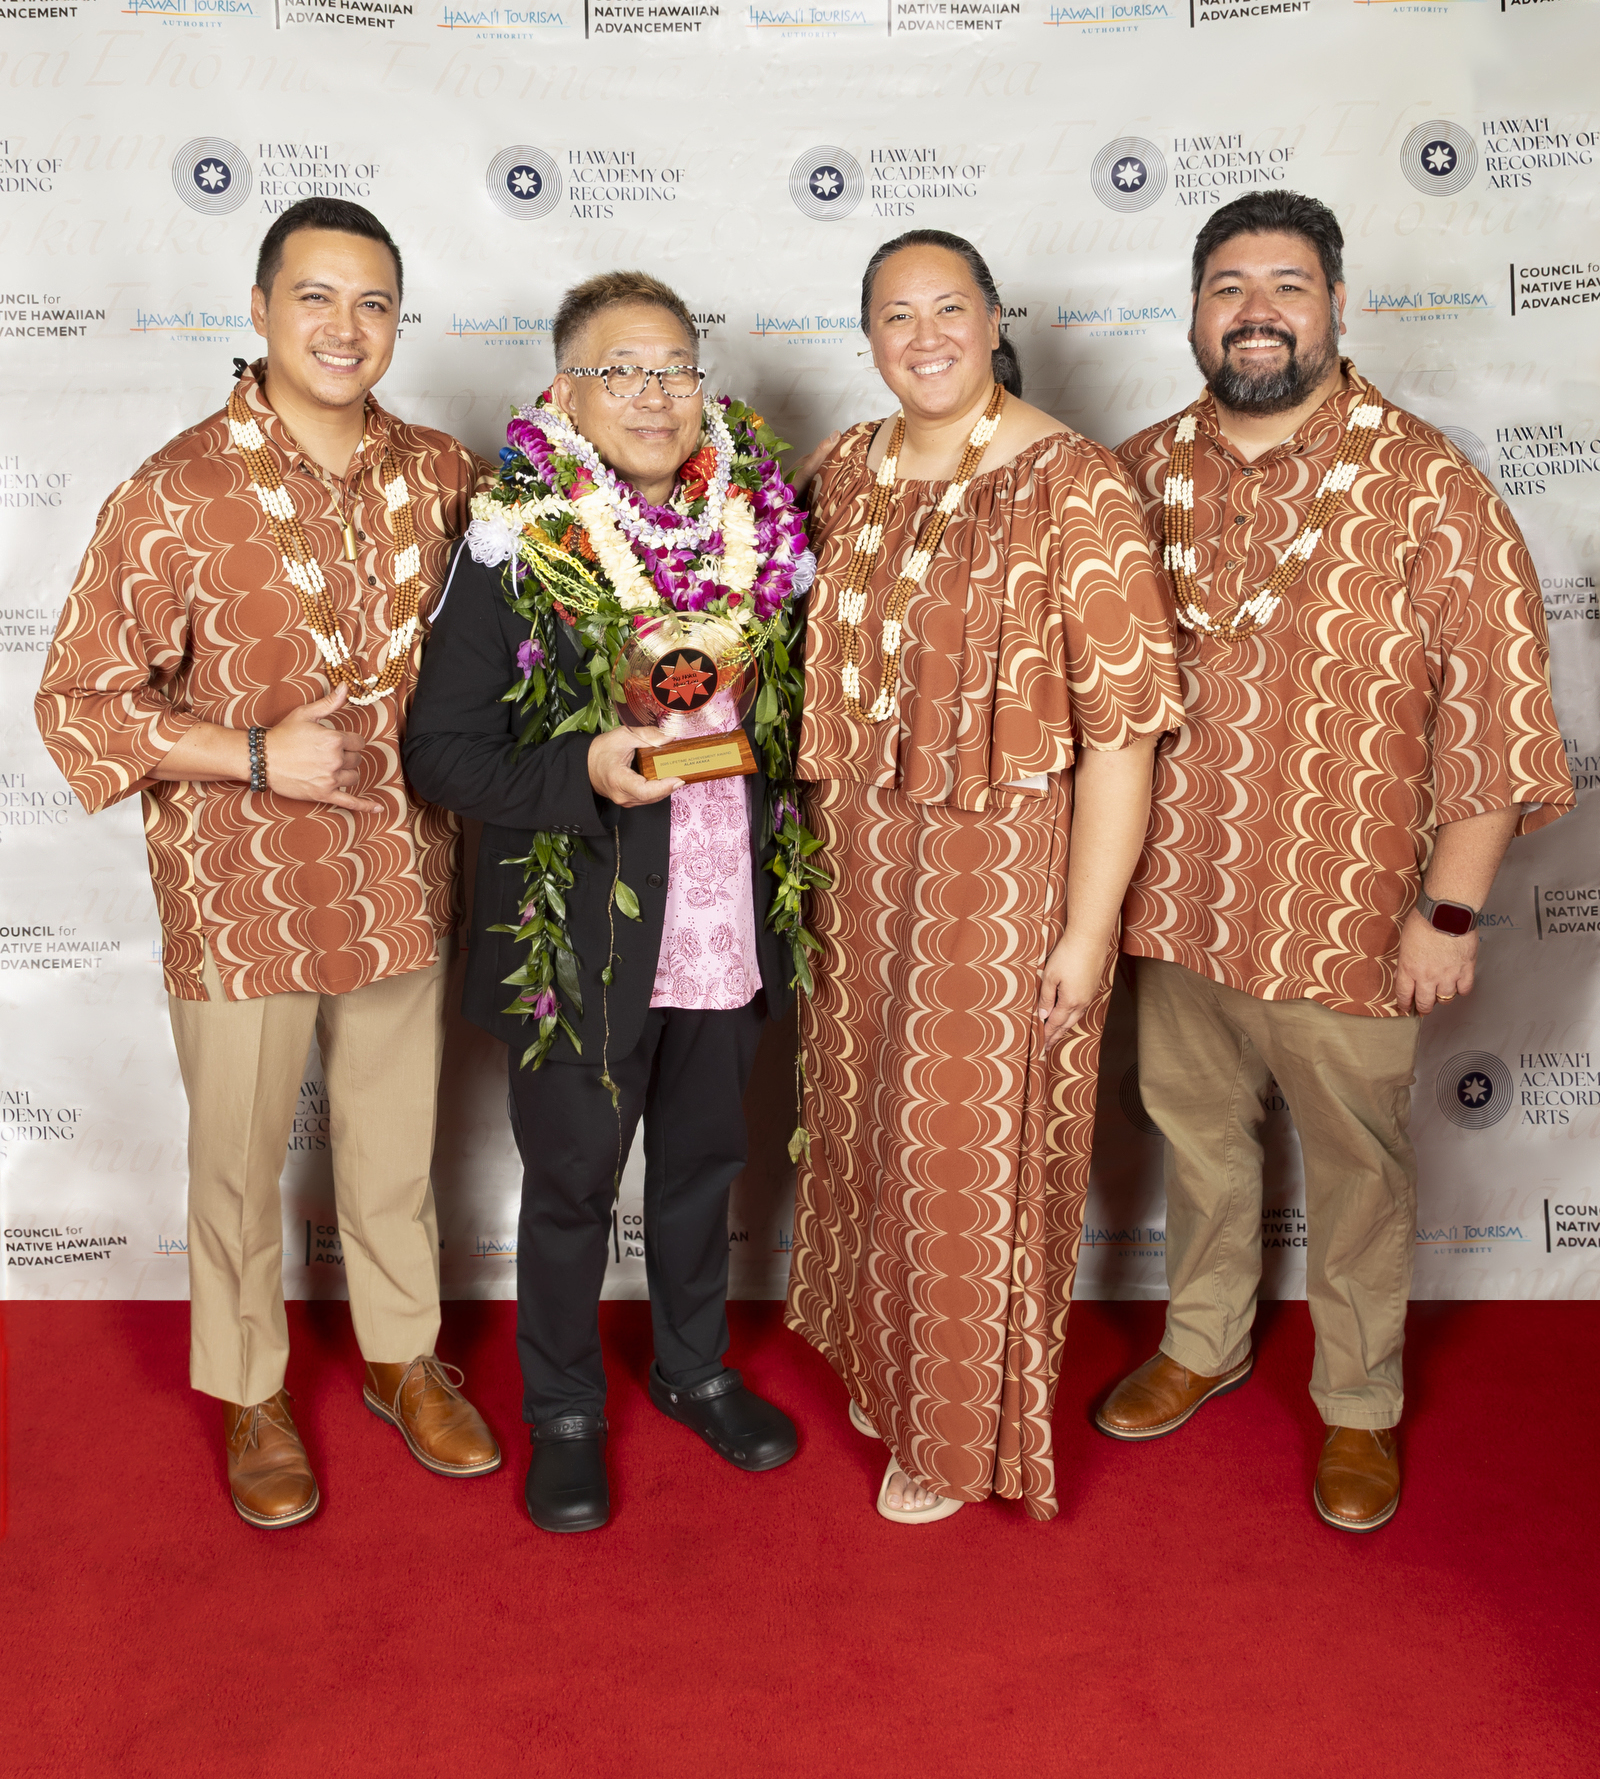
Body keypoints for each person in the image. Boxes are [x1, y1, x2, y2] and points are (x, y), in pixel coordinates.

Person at [1100, 189, 1572, 1531]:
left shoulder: (1429, 486)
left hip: (1352, 912)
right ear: (1196, 314)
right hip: (1177, 901)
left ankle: (1359, 1402)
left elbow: (1494, 713)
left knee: (1359, 1173)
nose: (1256, 312)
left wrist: (1449, 911)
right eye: (1229, 287)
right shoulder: (1134, 477)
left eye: (1287, 286)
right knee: (1198, 1141)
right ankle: (1203, 1340)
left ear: (1337, 307)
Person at [36, 196, 500, 1530]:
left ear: (397, 322)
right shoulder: (176, 490)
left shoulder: (445, 475)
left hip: (402, 868)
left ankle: (403, 1358)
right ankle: (250, 1389)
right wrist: (250, 753)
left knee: (394, 1144)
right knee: (238, 1163)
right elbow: (78, 704)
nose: (345, 327)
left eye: (373, 302)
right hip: (238, 888)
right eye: (315, 297)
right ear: (258, 310)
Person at [785, 229, 1183, 1523]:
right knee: (869, 1124)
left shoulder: (1077, 485)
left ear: (995, 317)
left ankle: (952, 1438)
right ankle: (884, 1363)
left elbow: (1123, 729)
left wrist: (1087, 926)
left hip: (999, 880)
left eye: (948, 307)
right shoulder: (846, 469)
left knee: (965, 1149)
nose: (925, 337)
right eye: (895, 316)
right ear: (868, 339)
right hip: (859, 865)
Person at [403, 272, 807, 1535]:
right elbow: (440, 753)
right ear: (564, 393)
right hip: (580, 933)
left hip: (725, 918)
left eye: (674, 368)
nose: (653, 394)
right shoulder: (515, 544)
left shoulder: (761, 526)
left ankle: (692, 1369)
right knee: (573, 1182)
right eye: (620, 371)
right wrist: (578, 768)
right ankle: (566, 1408)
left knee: (705, 1164)